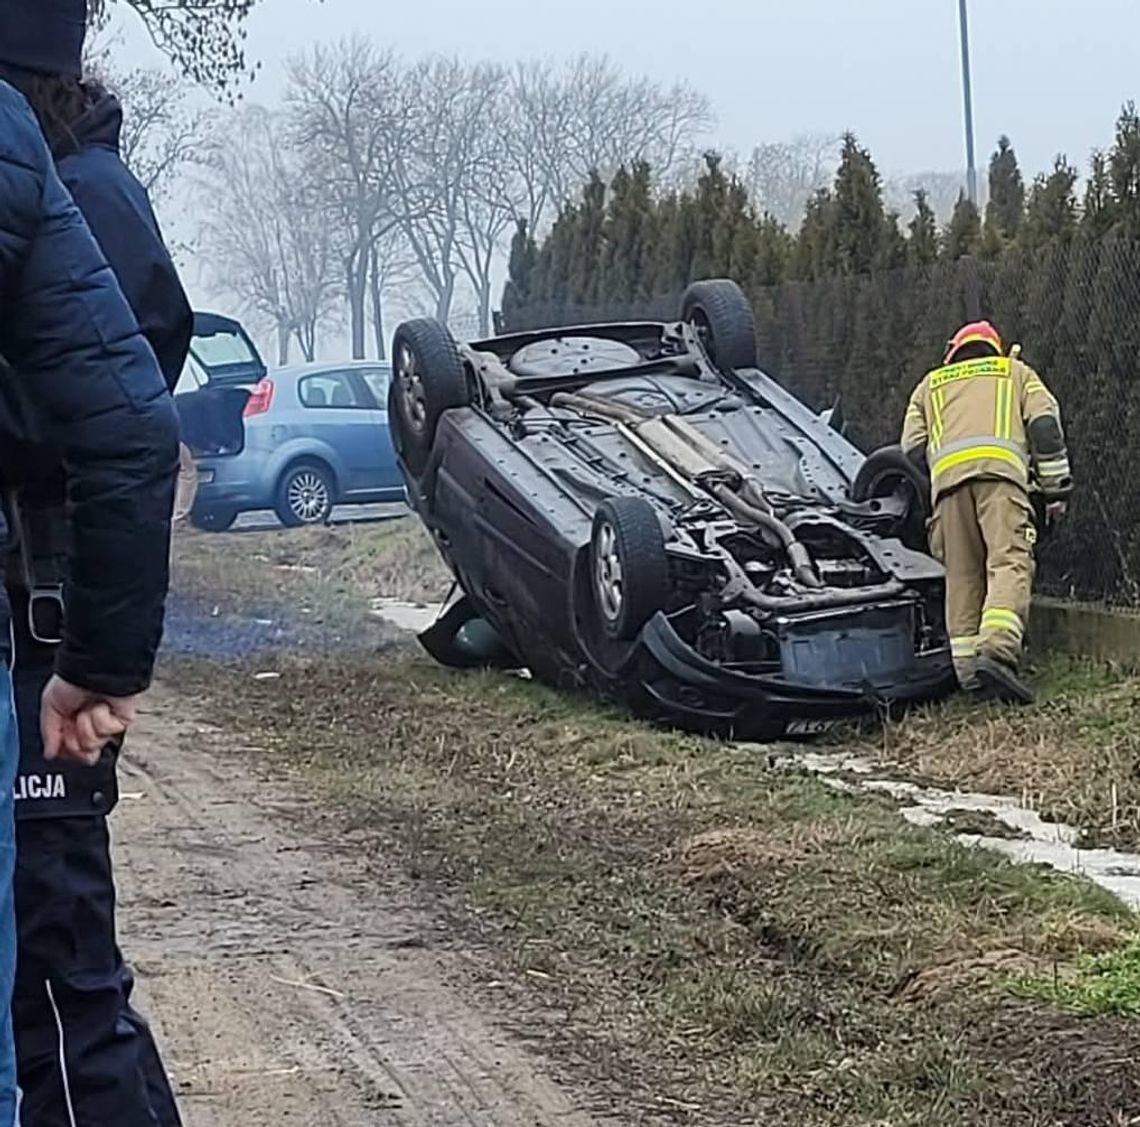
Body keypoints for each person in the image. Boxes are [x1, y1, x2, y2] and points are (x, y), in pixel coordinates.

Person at [0, 2, 192, 1122]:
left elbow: (112, 413)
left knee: (61, 993)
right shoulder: (66, 173)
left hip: (37, 624)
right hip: (43, 615)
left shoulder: (89, 196)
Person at [901, 320, 1072, 704]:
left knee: (962, 577)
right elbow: (1044, 426)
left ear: (954, 351)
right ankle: (997, 649)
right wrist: (1056, 488)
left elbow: (911, 448)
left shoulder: (930, 385)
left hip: (947, 494)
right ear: (993, 347)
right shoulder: (1013, 373)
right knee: (1008, 562)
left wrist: (942, 475)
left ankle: (969, 675)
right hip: (1000, 483)